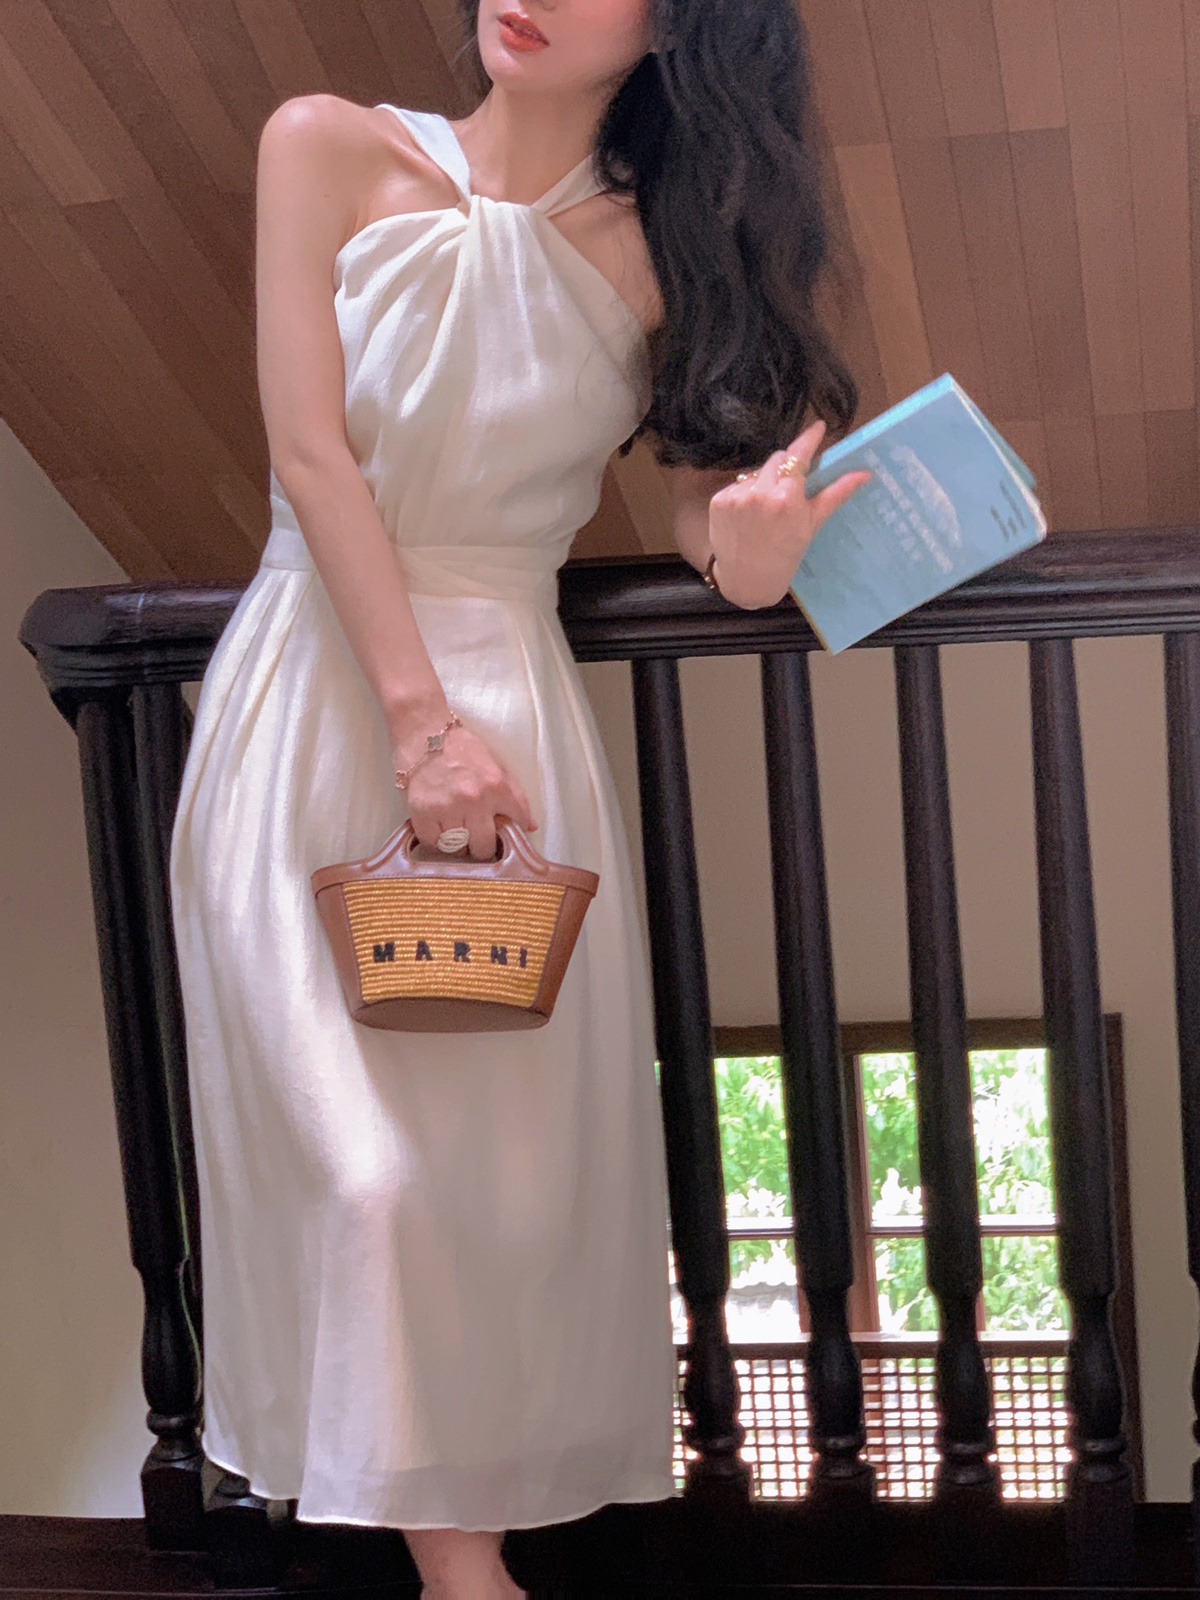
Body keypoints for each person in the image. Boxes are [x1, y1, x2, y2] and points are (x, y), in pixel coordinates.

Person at [167, 0, 870, 1595]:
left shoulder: (668, 256)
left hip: (515, 721)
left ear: (680, 26)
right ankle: (461, 1571)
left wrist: (751, 552)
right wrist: (421, 727)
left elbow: (704, 519)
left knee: (495, 1188)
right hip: (318, 694)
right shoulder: (326, 146)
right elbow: (311, 456)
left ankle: (460, 1564)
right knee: (365, 1175)